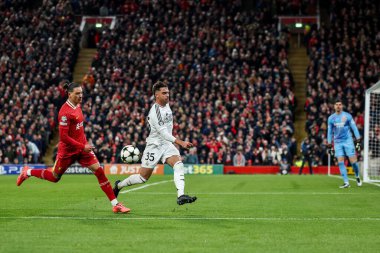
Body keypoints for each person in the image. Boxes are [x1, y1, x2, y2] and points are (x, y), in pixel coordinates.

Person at [16, 82, 130, 213]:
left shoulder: (77, 106)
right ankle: (28, 172)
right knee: (54, 177)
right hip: (68, 151)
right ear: (69, 95)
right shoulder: (64, 113)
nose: (81, 96)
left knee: (99, 171)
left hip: (83, 149)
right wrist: (82, 146)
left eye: (81, 93)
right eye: (77, 94)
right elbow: (63, 137)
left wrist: (83, 145)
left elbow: (78, 129)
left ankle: (116, 205)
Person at [113, 81, 197, 205]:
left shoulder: (167, 105)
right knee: (142, 178)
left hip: (167, 144)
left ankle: (181, 195)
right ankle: (119, 185)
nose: (167, 95)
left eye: (168, 92)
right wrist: (180, 142)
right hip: (155, 146)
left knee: (178, 164)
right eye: (164, 93)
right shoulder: (155, 112)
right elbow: (163, 133)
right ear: (156, 95)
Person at [327, 98, 362, 188]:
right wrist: (329, 144)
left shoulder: (347, 116)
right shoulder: (331, 118)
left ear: (342, 106)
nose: (338, 106)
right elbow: (330, 132)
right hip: (337, 142)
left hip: (348, 141)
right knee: (340, 162)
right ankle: (346, 182)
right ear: (334, 106)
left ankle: (357, 176)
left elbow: (354, 128)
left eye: (340, 104)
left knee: (353, 162)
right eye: (336, 104)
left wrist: (358, 140)